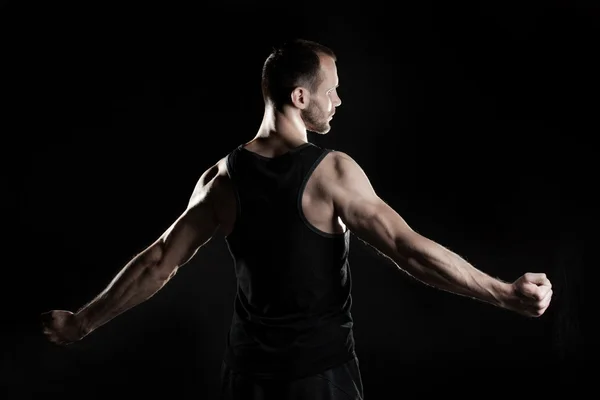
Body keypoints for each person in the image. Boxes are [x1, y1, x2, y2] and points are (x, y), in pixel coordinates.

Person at [41, 39, 553, 399]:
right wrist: (503, 292)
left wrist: (82, 322)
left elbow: (158, 263)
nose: (338, 99)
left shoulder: (220, 180)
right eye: (332, 88)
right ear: (300, 96)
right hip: (320, 383)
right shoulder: (332, 173)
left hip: (248, 381)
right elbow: (407, 248)